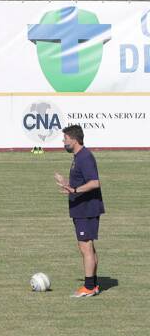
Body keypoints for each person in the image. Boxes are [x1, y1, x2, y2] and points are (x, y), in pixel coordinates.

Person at [54, 124, 104, 298]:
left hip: (86, 209)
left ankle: (89, 287)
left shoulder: (85, 157)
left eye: (65, 139)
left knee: (85, 247)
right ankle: (94, 284)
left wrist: (74, 191)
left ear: (74, 140)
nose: (63, 142)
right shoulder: (79, 157)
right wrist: (68, 183)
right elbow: (81, 181)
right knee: (87, 246)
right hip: (81, 209)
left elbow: (94, 182)